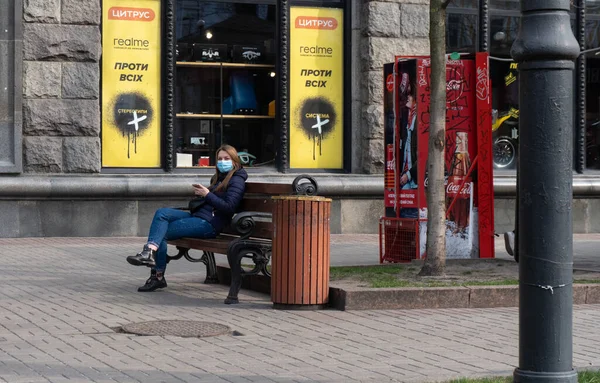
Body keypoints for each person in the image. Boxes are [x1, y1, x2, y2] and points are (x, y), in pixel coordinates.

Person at [126, 145, 248, 292]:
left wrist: (207, 194)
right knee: (162, 213)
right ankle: (149, 252)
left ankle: (156, 275)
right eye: (220, 159)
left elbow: (229, 207)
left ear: (234, 161)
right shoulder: (219, 178)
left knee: (161, 233)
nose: (223, 162)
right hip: (198, 216)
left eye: (226, 159)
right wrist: (203, 195)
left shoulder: (237, 180)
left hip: (209, 224)